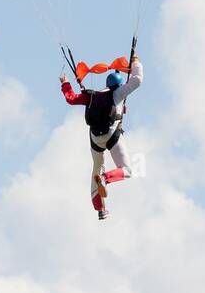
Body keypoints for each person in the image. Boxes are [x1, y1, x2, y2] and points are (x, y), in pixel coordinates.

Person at [60, 57, 143, 220]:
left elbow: (71, 98)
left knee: (96, 167)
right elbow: (137, 80)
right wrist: (135, 62)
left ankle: (100, 209)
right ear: (118, 85)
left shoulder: (92, 96)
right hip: (112, 136)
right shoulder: (119, 92)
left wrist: (65, 82)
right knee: (127, 170)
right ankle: (106, 179)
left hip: (95, 140)